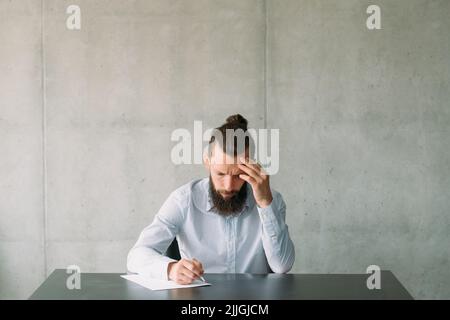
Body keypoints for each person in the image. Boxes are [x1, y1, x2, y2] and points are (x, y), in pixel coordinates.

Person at [127, 114, 295, 284]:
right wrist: (171, 269)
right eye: (220, 173)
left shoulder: (272, 201)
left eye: (238, 175)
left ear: (252, 167)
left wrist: (266, 204)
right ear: (207, 162)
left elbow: (281, 266)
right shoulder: (183, 200)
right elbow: (136, 256)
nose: (229, 186)